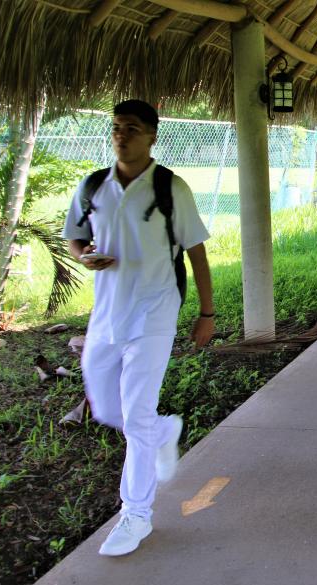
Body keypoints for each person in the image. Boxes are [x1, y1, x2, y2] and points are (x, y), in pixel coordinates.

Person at [61, 100, 214, 556]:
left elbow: (197, 253)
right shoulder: (93, 186)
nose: (121, 136)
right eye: (116, 128)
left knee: (136, 415)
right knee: (108, 407)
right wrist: (83, 256)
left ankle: (136, 514)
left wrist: (206, 315)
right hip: (107, 315)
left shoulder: (171, 188)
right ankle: (166, 432)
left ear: (151, 136)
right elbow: (74, 236)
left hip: (155, 313)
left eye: (131, 128)